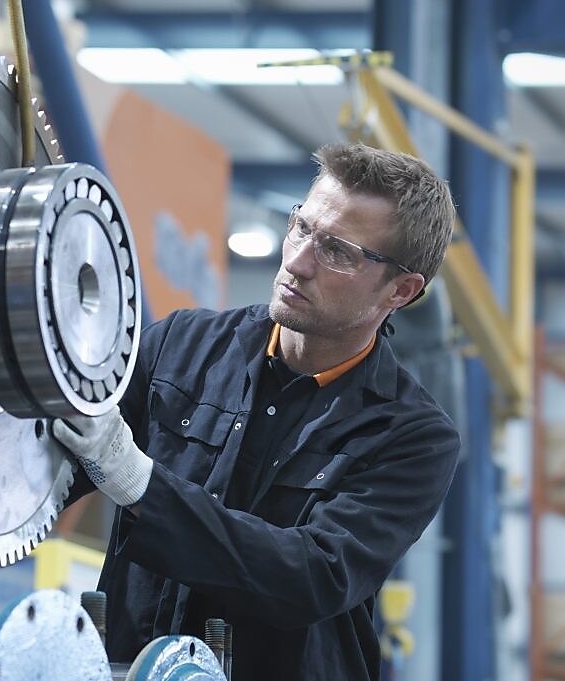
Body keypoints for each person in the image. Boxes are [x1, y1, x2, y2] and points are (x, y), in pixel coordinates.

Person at [52, 142, 461, 681]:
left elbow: (313, 576)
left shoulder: (411, 437)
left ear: (402, 290)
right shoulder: (180, 345)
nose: (297, 261)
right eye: (301, 227)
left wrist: (140, 483)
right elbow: (57, 463)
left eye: (337, 252)